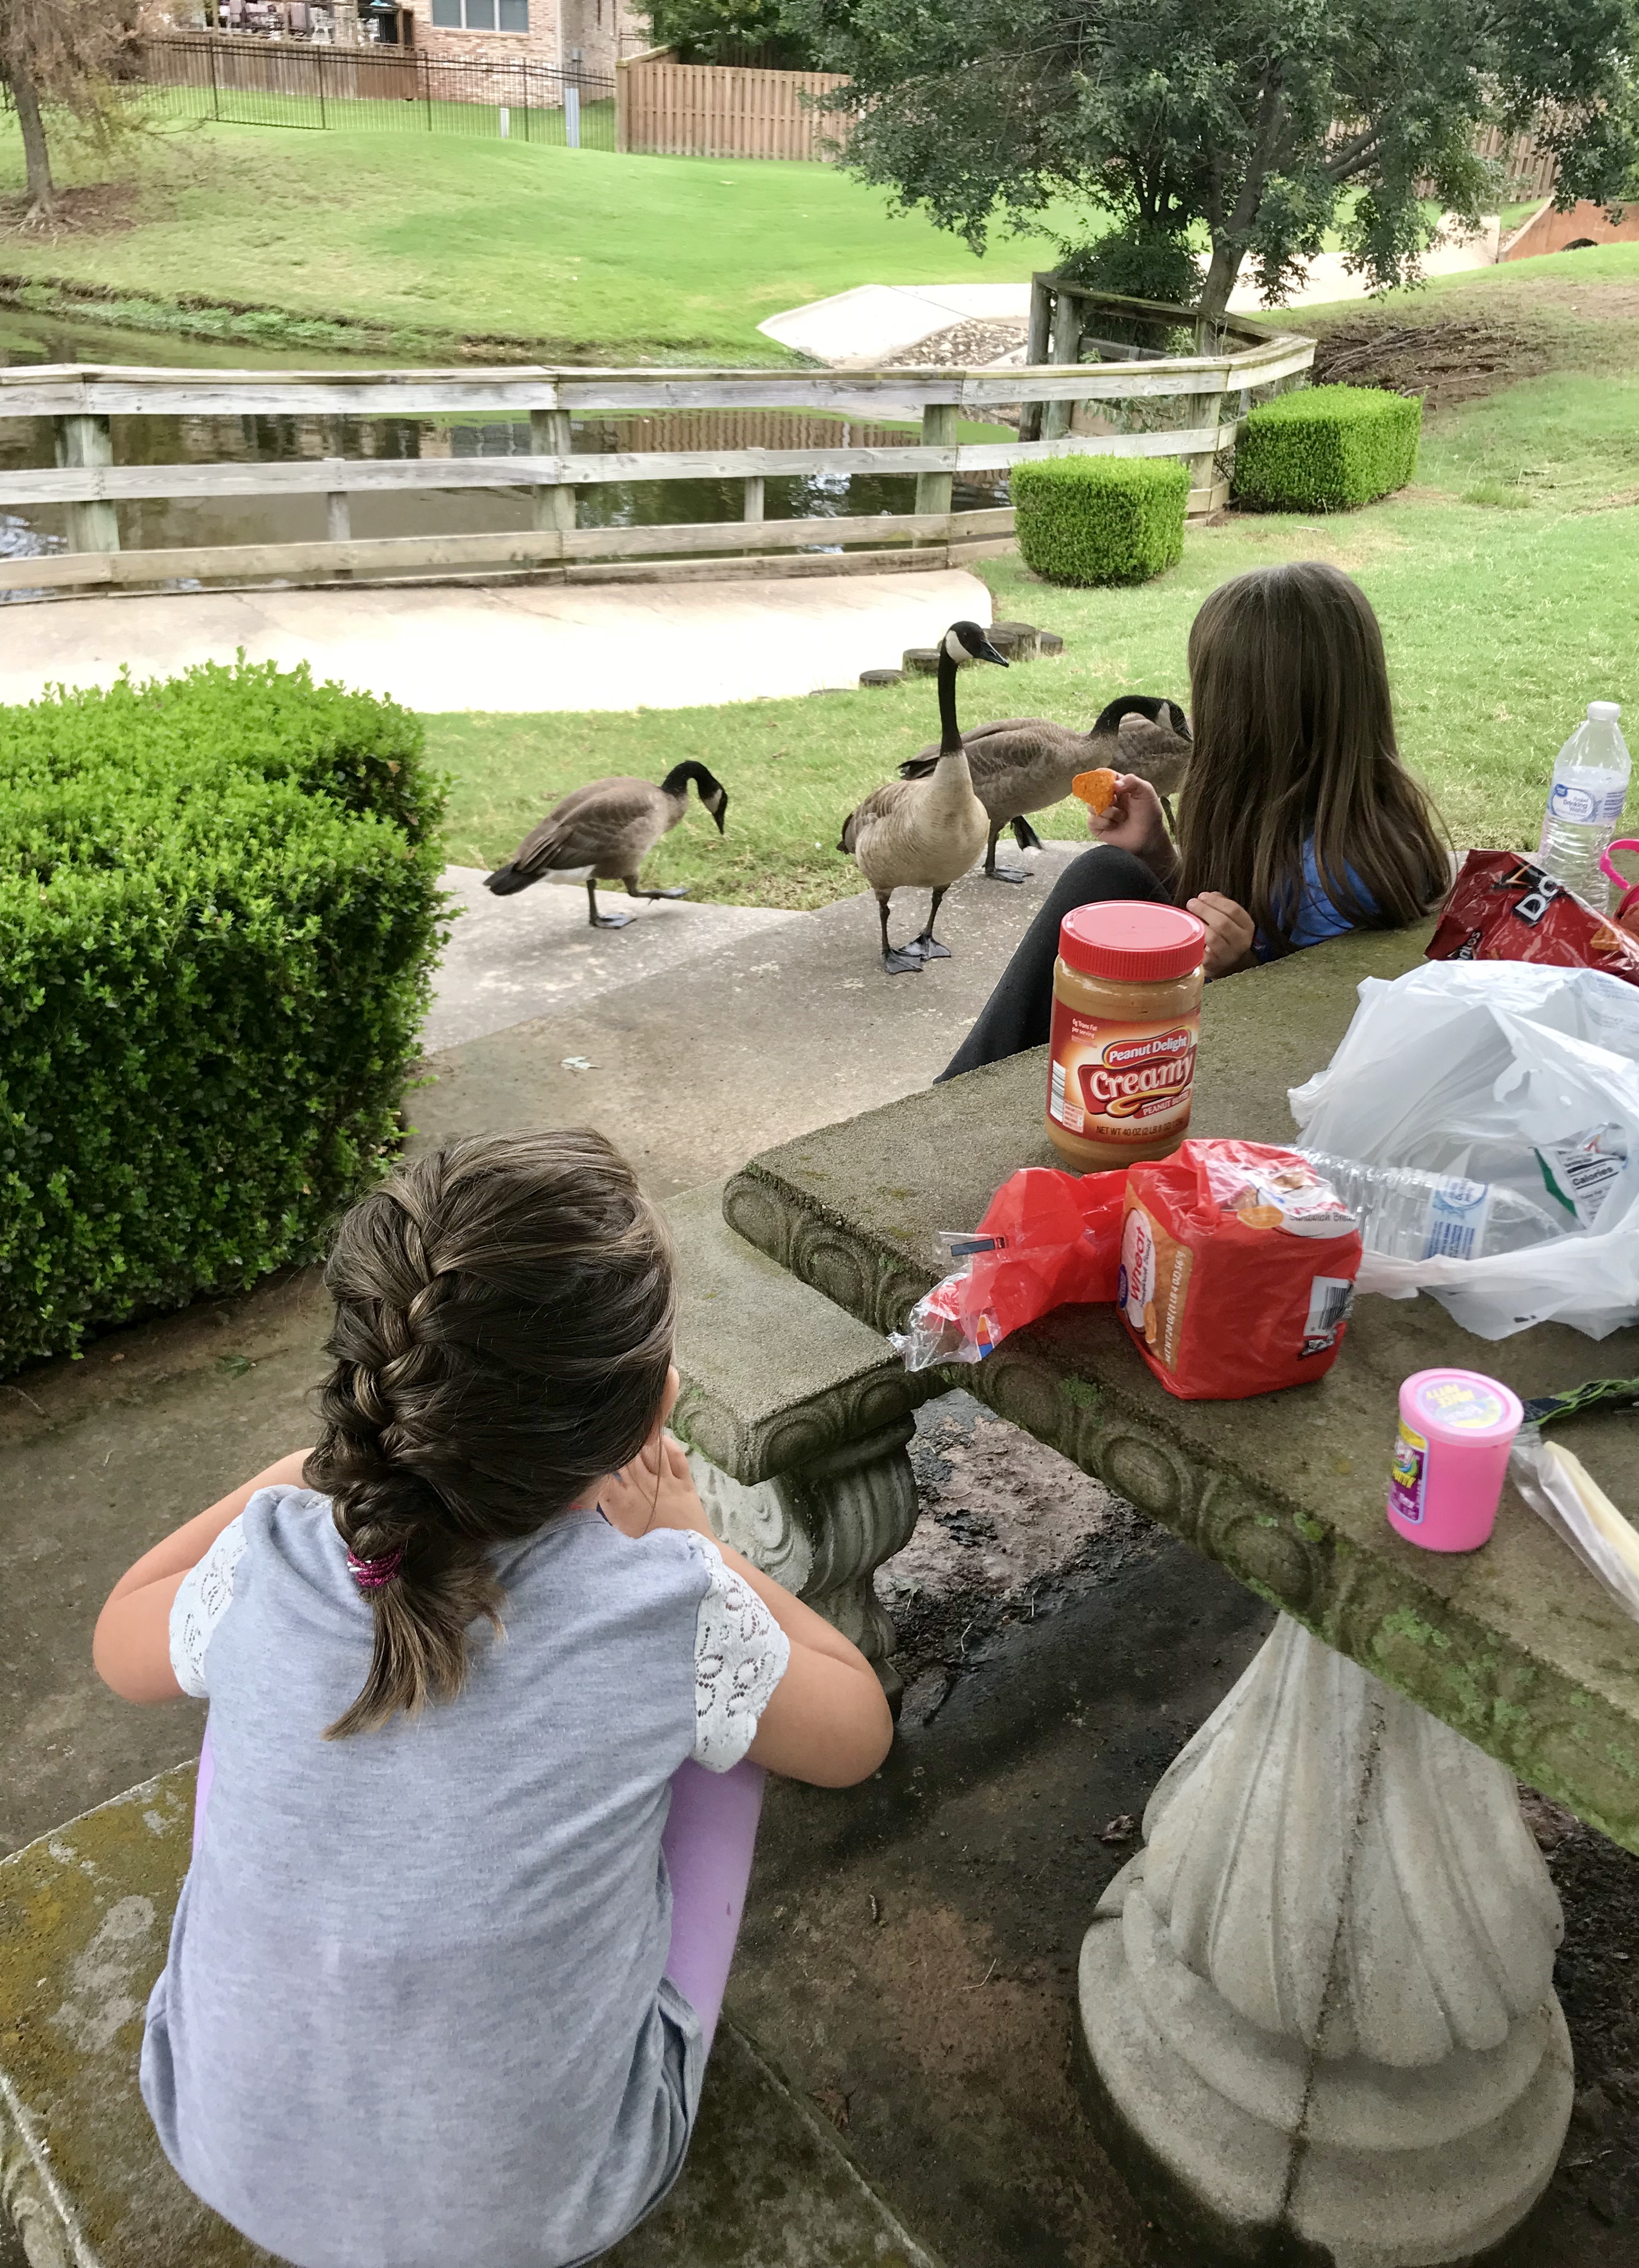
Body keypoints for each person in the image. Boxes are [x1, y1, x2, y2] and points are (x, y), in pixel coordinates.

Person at [91, 1131, 892, 2268]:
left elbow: (122, 1639)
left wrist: (310, 1473)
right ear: (652, 1411)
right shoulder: (661, 1604)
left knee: (241, 1678)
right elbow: (855, 1730)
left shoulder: (273, 1551)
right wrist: (695, 1549)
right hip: (543, 2214)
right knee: (725, 1731)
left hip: (220, 2139)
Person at [940, 560, 1452, 1079]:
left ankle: (960, 1089)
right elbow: (1231, 920)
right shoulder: (1302, 817)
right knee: (1112, 871)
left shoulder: (1341, 874)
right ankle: (965, 1084)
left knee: (1101, 875)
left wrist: (1244, 969)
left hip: (1238, 1067)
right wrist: (1157, 853)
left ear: (1244, 711)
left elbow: (1311, 1022)